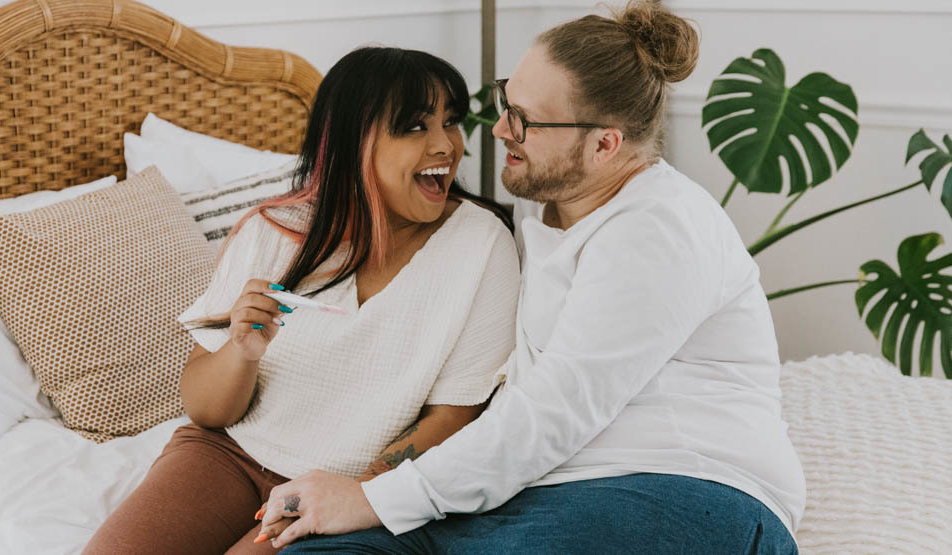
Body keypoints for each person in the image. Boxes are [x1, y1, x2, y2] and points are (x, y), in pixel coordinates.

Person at [252, 3, 806, 553]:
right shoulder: (542, 204)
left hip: (681, 486)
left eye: (525, 120)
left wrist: (371, 498)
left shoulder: (660, 229)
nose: (499, 130)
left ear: (604, 144)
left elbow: (555, 410)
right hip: (526, 490)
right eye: (505, 101)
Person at [83, 47, 520, 555]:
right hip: (226, 457)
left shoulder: (482, 245)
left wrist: (357, 494)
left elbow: (453, 418)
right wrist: (242, 352)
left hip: (346, 487)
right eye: (415, 127)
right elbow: (205, 411)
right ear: (353, 141)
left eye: (451, 122)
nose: (446, 145)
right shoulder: (272, 230)